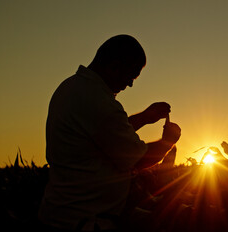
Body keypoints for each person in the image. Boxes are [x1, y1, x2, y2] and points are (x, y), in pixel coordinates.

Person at [38, 34, 181, 231]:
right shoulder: (99, 101)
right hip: (85, 221)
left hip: (60, 214)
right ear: (114, 67)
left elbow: (104, 133)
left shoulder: (71, 87)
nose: (130, 85)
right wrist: (168, 141)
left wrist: (146, 117)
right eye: (130, 77)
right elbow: (138, 159)